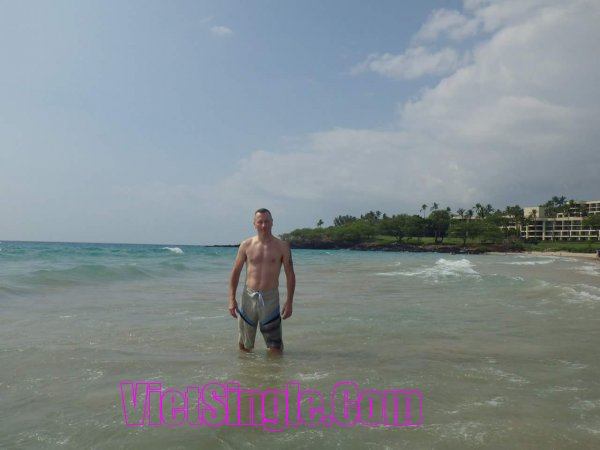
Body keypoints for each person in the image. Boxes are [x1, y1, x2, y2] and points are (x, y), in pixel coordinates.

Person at [228, 208, 296, 352]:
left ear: (272, 222)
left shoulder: (282, 246)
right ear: (254, 224)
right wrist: (232, 299)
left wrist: (289, 302)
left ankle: (274, 368)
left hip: (270, 298)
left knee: (275, 347)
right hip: (248, 297)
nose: (264, 225)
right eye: (260, 222)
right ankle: (247, 367)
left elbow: (290, 274)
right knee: (244, 345)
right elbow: (235, 272)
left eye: (267, 221)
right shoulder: (246, 245)